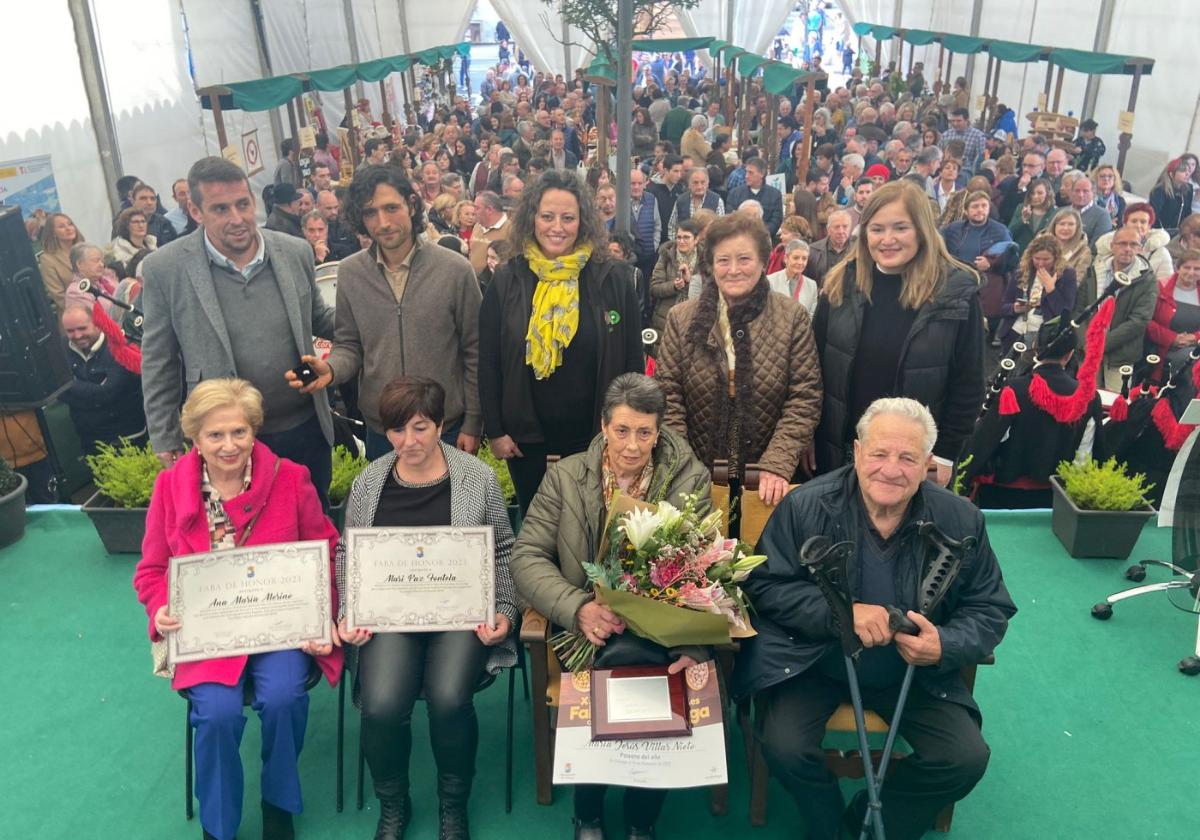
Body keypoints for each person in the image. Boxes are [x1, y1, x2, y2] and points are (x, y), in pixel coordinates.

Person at [735, 397, 1016, 840]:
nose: (891, 469)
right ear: (857, 451)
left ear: (927, 464)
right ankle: (827, 825)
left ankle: (863, 824)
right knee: (784, 748)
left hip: (912, 671)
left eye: (907, 457)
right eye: (880, 453)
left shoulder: (961, 518)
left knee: (965, 759)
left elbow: (989, 606)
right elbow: (764, 587)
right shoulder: (806, 505)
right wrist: (839, 615)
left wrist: (945, 644)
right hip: (813, 659)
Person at [133, 378, 342, 840]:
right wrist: (161, 607)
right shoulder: (170, 488)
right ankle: (219, 824)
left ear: (255, 431)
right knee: (216, 713)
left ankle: (278, 802)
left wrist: (322, 610)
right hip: (207, 633)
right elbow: (150, 570)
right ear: (195, 438)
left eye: (240, 432)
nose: (229, 446)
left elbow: (326, 550)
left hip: (280, 627)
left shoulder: (291, 477)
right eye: (216, 435)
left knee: (284, 697)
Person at [509, 373, 712, 840]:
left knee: (650, 667)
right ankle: (602, 813)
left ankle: (627, 814)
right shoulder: (565, 476)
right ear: (604, 426)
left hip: (661, 628)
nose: (632, 446)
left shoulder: (689, 480)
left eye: (644, 432)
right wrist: (578, 607)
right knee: (618, 666)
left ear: (658, 432)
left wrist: (697, 643)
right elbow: (527, 555)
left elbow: (702, 565)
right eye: (622, 430)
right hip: (582, 623)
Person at [335, 377, 517, 840]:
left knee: (450, 698)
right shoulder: (370, 481)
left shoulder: (475, 478)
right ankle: (393, 804)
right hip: (389, 618)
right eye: (396, 430)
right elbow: (346, 554)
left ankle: (451, 804)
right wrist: (347, 613)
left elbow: (502, 550)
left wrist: (505, 608)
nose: (407, 442)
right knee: (380, 705)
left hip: (460, 615)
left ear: (440, 425)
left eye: (419, 428)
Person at [140, 156, 337, 507]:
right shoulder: (165, 268)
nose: (237, 218)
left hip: (303, 429)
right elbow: (158, 360)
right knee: (239, 539)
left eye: (243, 204)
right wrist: (165, 436)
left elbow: (319, 321)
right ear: (196, 212)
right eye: (220, 209)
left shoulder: (294, 251)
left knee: (312, 528)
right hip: (225, 443)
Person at [288, 165, 482, 460]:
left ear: (411, 205)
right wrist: (331, 369)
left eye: (391, 208)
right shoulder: (352, 273)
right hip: (384, 432)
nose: (383, 222)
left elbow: (476, 351)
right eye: (370, 213)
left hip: (445, 428)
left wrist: (473, 422)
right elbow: (350, 344)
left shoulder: (454, 270)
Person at [478, 170, 643, 514]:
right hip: (525, 439)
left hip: (593, 438)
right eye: (547, 216)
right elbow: (489, 360)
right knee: (537, 527)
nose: (557, 227)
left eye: (568, 218)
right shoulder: (508, 279)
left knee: (589, 528)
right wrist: (495, 429)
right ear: (532, 219)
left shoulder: (613, 278)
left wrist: (626, 431)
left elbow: (631, 362)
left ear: (583, 222)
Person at [813, 180, 985, 484]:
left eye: (900, 228)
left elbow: (968, 383)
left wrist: (945, 454)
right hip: (841, 454)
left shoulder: (954, 293)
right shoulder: (840, 286)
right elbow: (813, 371)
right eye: (877, 229)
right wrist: (809, 438)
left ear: (921, 230)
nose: (887, 239)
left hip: (912, 461)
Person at [655, 212, 822, 504]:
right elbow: (668, 395)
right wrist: (685, 467)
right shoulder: (681, 318)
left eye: (744, 259)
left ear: (762, 262)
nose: (733, 270)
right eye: (723, 260)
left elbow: (804, 396)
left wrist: (777, 463)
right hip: (697, 472)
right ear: (710, 264)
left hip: (768, 479)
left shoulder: (791, 317)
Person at [1074, 225, 1159, 389]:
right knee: (1083, 402)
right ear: (1112, 246)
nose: (1127, 249)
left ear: (1140, 248)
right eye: (1122, 243)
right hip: (1087, 352)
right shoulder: (1094, 271)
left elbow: (1139, 321)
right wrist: (1086, 341)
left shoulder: (1147, 280)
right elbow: (1079, 311)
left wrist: (1101, 344)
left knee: (1114, 408)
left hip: (1121, 356)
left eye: (1133, 244)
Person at [59, 305, 146, 454]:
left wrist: (70, 385)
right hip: (90, 441)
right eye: (70, 331)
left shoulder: (118, 344)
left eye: (82, 328)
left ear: (97, 323)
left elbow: (108, 393)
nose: (77, 335)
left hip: (129, 438)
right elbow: (57, 389)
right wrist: (94, 390)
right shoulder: (60, 350)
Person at [997, 234, 1078, 351]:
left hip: (1043, 337)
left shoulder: (1067, 274)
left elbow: (1064, 312)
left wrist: (1051, 289)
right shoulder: (1022, 271)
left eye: (1046, 259)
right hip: (1015, 332)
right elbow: (1003, 306)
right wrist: (1014, 308)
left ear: (1056, 258)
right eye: (1037, 258)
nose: (1040, 263)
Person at [649, 216, 703, 343]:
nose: (681, 241)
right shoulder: (666, 256)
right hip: (665, 319)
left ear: (696, 239)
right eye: (679, 237)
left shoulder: (706, 259)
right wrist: (673, 286)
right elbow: (654, 288)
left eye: (686, 237)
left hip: (694, 319)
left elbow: (710, 292)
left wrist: (690, 282)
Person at [1147, 249, 1200, 375]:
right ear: (1177, 268)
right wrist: (1172, 338)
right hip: (1159, 353)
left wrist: (1195, 338)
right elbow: (1146, 321)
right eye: (1187, 267)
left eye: (1197, 269)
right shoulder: (1160, 287)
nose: (1191, 272)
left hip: (1195, 352)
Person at [37, 212, 85, 315]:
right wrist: (86, 310)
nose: (68, 228)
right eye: (62, 226)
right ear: (53, 233)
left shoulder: (85, 249)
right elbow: (59, 296)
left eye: (70, 224)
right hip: (75, 316)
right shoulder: (47, 260)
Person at [727, 157, 784, 237]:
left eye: (751, 173)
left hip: (764, 238)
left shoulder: (774, 195)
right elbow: (730, 216)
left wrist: (759, 234)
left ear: (762, 174)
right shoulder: (735, 193)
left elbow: (776, 221)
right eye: (746, 172)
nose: (746, 176)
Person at [668, 167, 724, 239]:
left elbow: (720, 229)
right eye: (695, 182)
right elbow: (672, 227)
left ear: (708, 183)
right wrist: (676, 244)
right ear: (688, 184)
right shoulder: (681, 200)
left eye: (703, 182)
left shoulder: (717, 201)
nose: (699, 187)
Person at [767, 239, 819, 315]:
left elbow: (812, 315)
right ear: (786, 259)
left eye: (804, 259)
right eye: (796, 258)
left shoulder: (812, 285)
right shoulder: (770, 281)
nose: (800, 262)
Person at [807, 209, 855, 286]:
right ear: (828, 229)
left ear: (850, 228)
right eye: (837, 227)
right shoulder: (812, 250)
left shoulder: (858, 251)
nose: (841, 231)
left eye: (845, 227)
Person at [1007, 177, 1056, 252]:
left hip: (1044, 254)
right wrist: (1023, 220)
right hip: (1021, 253)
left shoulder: (1055, 212)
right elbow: (1010, 233)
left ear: (1048, 194)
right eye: (1032, 193)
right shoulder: (1021, 208)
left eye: (1040, 193)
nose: (1035, 196)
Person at [468, 190, 511, 273]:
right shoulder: (477, 226)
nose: (473, 212)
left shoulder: (510, 229)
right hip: (474, 281)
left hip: (495, 282)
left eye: (477, 208)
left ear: (489, 210)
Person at [106, 208, 156, 275]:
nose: (141, 225)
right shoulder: (117, 251)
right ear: (126, 226)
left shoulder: (152, 244)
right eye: (135, 222)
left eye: (143, 221)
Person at [1149, 158, 1194, 231]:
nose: (1187, 173)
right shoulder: (1160, 190)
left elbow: (1187, 213)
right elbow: (1154, 215)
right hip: (1160, 231)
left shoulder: (1189, 190)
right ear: (1171, 174)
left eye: (1188, 171)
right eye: (1183, 171)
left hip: (1179, 232)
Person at [1070, 177, 1114, 244]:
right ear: (1071, 192)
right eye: (1077, 191)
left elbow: (1097, 246)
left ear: (1093, 193)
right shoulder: (1061, 212)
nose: (1081, 195)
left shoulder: (1102, 216)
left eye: (1085, 191)